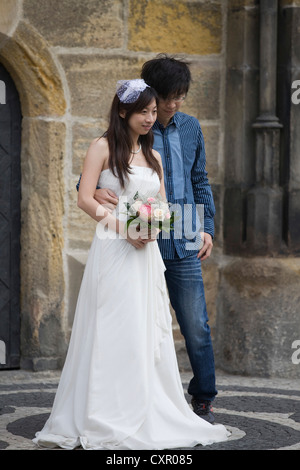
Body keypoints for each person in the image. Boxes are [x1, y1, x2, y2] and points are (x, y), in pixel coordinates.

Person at [33, 79, 229, 450]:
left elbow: (165, 203)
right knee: (113, 327)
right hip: (114, 250)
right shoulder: (102, 147)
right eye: (144, 111)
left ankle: (152, 405)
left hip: (147, 255)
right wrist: (124, 228)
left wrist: (157, 223)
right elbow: (84, 200)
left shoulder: (152, 154)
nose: (151, 118)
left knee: (147, 330)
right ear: (123, 111)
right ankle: (103, 411)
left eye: (154, 112)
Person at [92, 55, 218, 424]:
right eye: (168, 98)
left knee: (195, 323)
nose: (173, 105)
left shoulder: (191, 127)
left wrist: (207, 227)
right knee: (138, 325)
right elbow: (102, 170)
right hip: (136, 245)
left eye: (180, 97)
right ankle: (137, 401)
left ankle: (204, 398)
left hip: (182, 237)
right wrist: (97, 192)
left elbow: (200, 180)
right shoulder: (134, 130)